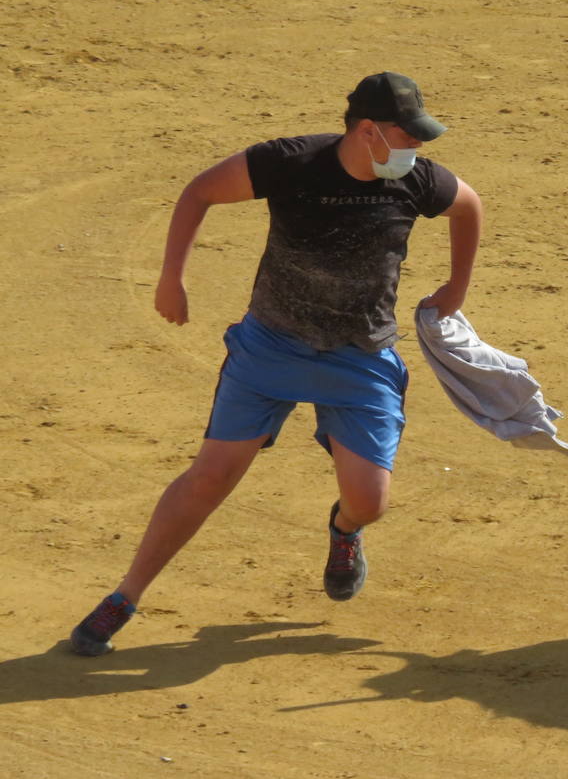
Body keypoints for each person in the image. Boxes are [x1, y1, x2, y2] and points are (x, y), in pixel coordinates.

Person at [68, 72, 482, 656]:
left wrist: (456, 288)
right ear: (367, 131)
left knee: (369, 502)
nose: (417, 148)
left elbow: (469, 207)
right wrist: (171, 277)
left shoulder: (415, 180)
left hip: (359, 356)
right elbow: (199, 192)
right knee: (209, 477)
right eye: (406, 135)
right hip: (272, 345)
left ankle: (344, 530)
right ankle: (125, 596)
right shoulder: (290, 162)